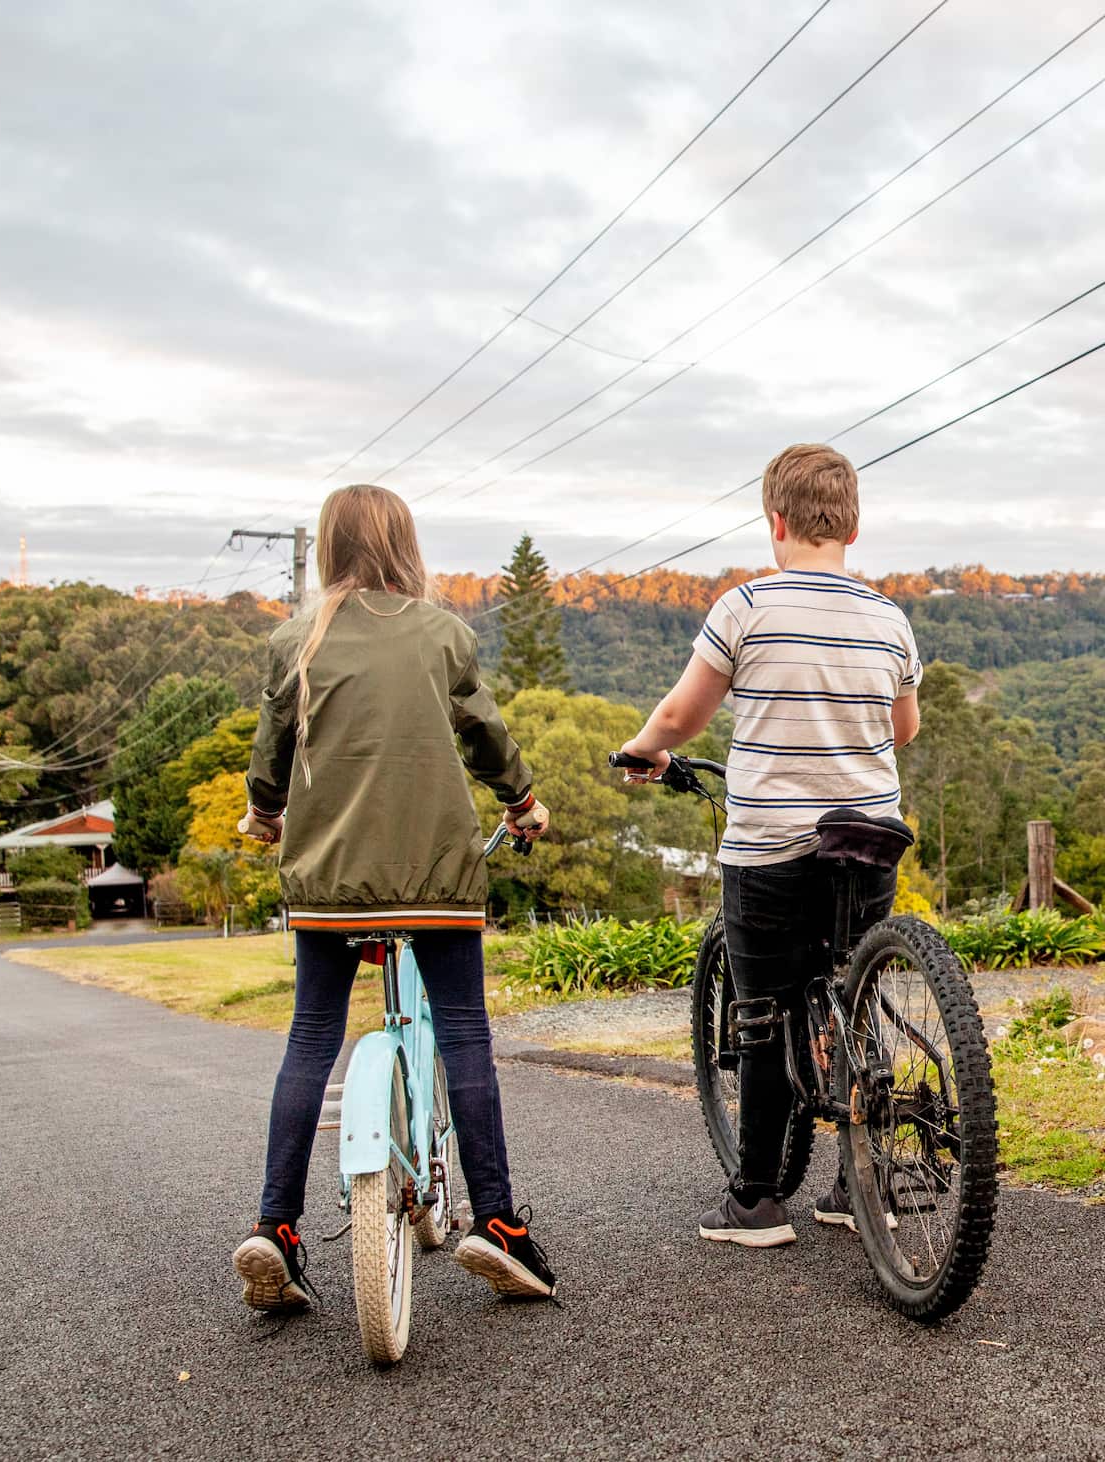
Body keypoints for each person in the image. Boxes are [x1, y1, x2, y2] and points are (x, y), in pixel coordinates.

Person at [231, 483, 558, 1308]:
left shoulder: (293, 640)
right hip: (435, 876)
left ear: (327, 548)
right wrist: (523, 802)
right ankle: (498, 1224)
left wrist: (265, 817)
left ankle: (276, 1227)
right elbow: (484, 735)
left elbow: (271, 755)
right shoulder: (442, 633)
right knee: (464, 1035)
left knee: (310, 1039)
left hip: (328, 882)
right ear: (405, 546)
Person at [617, 444, 922, 1247]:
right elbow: (905, 728)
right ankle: (862, 1187)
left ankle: (755, 1201)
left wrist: (646, 749)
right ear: (851, 526)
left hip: (772, 846)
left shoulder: (746, 606)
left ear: (776, 521)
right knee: (857, 993)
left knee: (760, 1012)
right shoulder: (890, 619)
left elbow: (684, 718)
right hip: (867, 839)